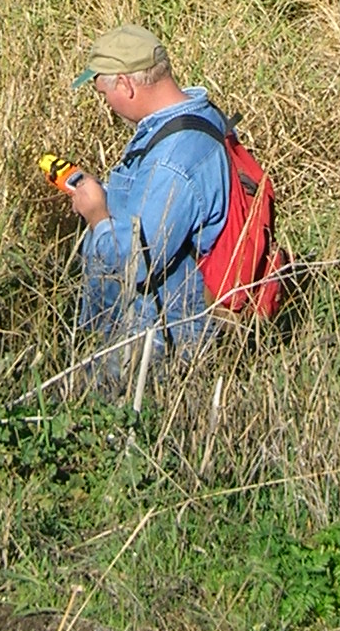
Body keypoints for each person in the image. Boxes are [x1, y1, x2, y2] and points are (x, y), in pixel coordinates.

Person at [62, 23, 230, 376]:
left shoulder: (174, 159)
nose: (107, 105)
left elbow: (136, 262)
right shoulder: (200, 117)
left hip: (156, 342)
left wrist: (97, 215)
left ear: (125, 84)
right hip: (158, 329)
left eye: (102, 93)